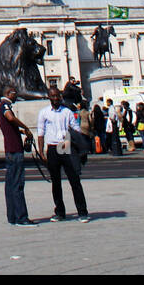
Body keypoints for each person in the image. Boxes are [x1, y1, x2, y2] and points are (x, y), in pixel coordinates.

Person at [37, 87, 90, 222]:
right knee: (56, 182)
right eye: (53, 96)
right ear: (49, 97)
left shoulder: (67, 112)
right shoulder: (44, 113)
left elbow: (76, 128)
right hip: (52, 147)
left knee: (74, 180)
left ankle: (82, 212)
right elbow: (41, 133)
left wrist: (80, 143)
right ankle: (60, 212)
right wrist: (41, 151)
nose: (56, 98)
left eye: (57, 96)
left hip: (65, 144)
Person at [0, 85, 35, 226]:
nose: (16, 95)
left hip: (11, 149)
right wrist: (25, 127)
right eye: (15, 93)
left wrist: (21, 132)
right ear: (8, 93)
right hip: (14, 150)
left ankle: (12, 216)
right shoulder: (5, 106)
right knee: (17, 184)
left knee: (10, 184)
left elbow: (10, 125)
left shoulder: (3, 106)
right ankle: (21, 217)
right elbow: (10, 118)